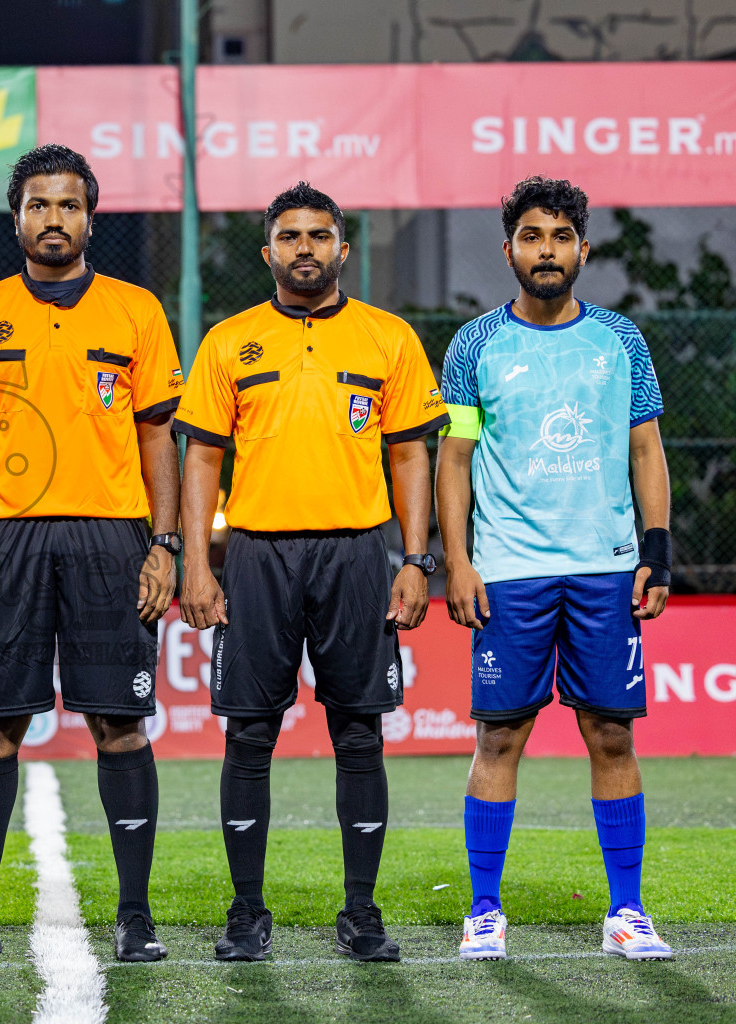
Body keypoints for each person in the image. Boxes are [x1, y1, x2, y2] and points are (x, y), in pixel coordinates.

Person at [176, 182, 448, 963]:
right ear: (268, 252)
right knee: (249, 737)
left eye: (319, 236)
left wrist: (415, 561)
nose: (305, 248)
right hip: (258, 557)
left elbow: (409, 455)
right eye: (289, 236)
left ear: (342, 249)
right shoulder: (229, 341)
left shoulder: (387, 338)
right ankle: (246, 911)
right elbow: (201, 459)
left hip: (359, 554)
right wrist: (199, 562)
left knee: (359, 734)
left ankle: (360, 912)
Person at [0, 145, 183, 964]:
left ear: (90, 216)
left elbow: (158, 440)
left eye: (68, 205)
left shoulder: (136, 311)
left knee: (120, 725)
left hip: (112, 536)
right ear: (17, 218)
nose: (53, 219)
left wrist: (167, 543)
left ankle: (135, 916)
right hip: (1, 540)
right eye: (38, 205)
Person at [437, 176, 673, 962]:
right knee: (499, 736)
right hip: (509, 572)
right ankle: (483, 911)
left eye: (561, 236)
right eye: (532, 236)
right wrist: (458, 561)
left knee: (612, 734)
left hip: (605, 569)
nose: (547, 250)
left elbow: (646, 448)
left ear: (583, 247)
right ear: (509, 249)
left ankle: (628, 912)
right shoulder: (474, 344)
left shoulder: (620, 341)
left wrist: (657, 548)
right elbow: (455, 457)